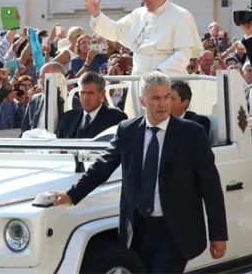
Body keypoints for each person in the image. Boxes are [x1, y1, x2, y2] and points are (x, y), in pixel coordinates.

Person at [49, 72, 228, 272]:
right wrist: (71, 194)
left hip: (175, 231)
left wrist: (218, 234)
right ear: (142, 101)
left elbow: (211, 187)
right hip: (137, 229)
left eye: (167, 96)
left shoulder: (192, 133)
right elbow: (102, 167)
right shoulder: (127, 130)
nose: (163, 104)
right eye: (156, 98)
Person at [85, 0, 203, 74]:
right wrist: (97, 15)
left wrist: (159, 73)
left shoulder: (181, 15)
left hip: (167, 79)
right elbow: (116, 31)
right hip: (138, 79)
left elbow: (183, 54)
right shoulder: (138, 14)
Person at [56, 72, 127, 139]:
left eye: (90, 93)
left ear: (102, 94)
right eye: (82, 93)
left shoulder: (117, 119)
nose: (85, 98)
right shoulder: (67, 118)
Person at [19, 62, 67, 135]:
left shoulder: (72, 101)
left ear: (59, 79)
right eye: (40, 77)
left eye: (45, 78)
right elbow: (24, 130)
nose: (41, 82)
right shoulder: (34, 100)